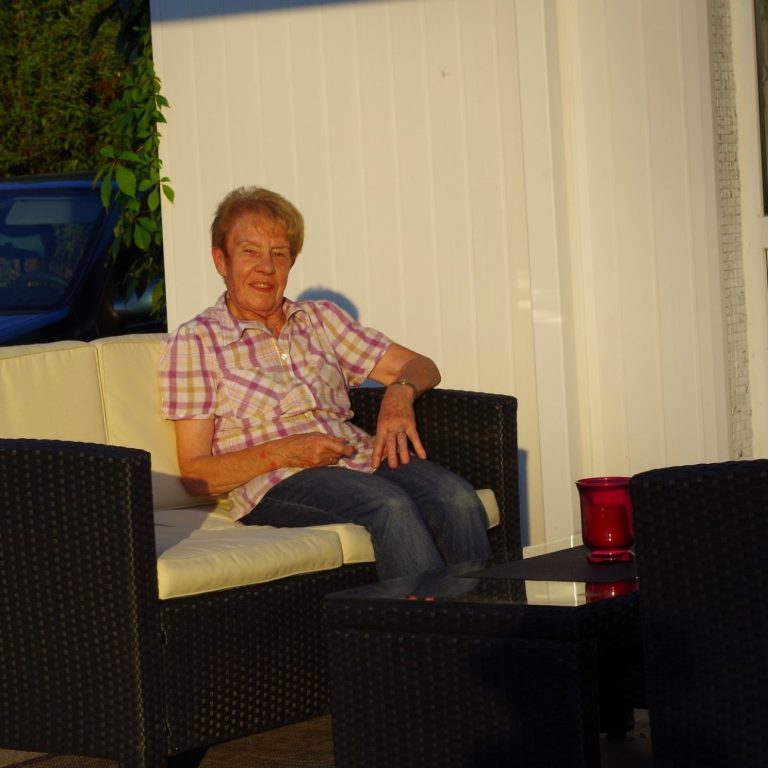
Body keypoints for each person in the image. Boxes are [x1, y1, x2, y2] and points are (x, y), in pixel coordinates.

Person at [159, 186, 491, 581]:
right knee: (390, 505)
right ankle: (425, 618)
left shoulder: (319, 320)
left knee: (457, 498)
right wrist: (285, 452)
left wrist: (398, 394)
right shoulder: (196, 341)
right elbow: (196, 475)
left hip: (359, 459)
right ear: (221, 260)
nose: (266, 267)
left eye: (279, 254)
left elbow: (422, 366)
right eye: (250, 252)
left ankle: (482, 613)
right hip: (279, 481)